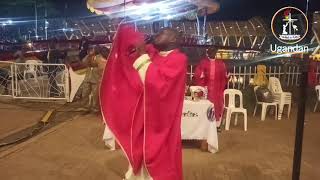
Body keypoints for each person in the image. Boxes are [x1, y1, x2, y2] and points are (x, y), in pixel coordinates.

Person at [100, 25, 187, 180]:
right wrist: (125, 30)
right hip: (144, 116)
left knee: (160, 158)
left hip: (161, 122)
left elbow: (160, 84)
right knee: (140, 150)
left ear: (174, 38)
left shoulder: (178, 58)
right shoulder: (154, 54)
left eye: (163, 32)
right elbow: (132, 49)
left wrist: (141, 54)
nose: (157, 33)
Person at [194, 47, 228, 128]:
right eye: (211, 52)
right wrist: (201, 77)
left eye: (214, 52)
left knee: (218, 105)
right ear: (208, 53)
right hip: (206, 88)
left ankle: (217, 125)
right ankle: (205, 123)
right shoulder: (203, 63)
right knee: (205, 105)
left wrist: (226, 78)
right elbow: (198, 74)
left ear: (215, 53)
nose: (212, 54)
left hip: (217, 89)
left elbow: (224, 76)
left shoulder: (220, 63)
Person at [80, 46, 108, 113]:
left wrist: (95, 65)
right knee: (85, 94)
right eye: (91, 50)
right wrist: (88, 56)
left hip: (96, 79)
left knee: (96, 96)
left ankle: (95, 109)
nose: (92, 51)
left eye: (93, 49)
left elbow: (103, 67)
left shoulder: (100, 57)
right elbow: (83, 62)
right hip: (87, 78)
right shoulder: (88, 57)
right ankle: (85, 108)